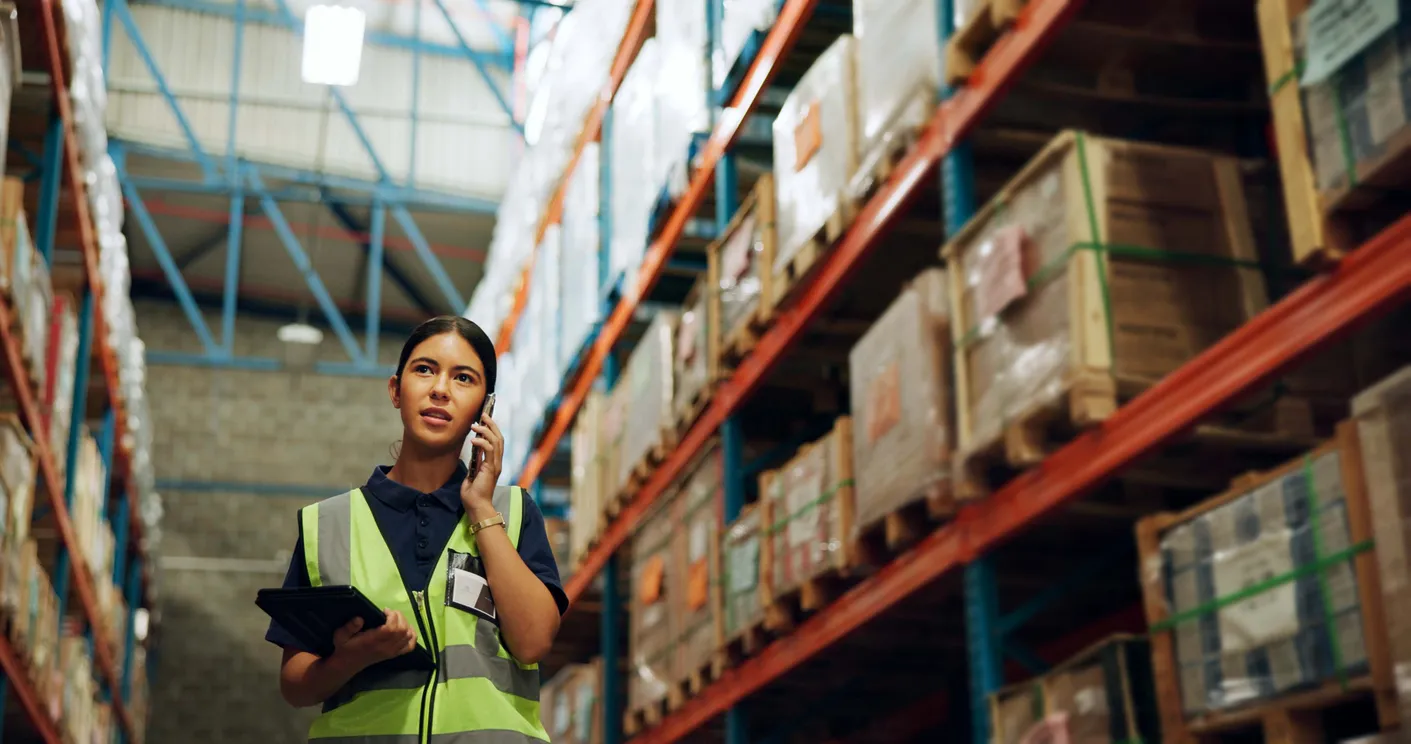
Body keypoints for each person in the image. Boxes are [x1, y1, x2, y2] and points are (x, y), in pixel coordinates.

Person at [264, 315, 565, 742]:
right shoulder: (328, 525)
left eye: (463, 378)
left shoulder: (513, 513)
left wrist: (480, 508)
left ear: (486, 409)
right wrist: (352, 658)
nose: (440, 389)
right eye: (425, 369)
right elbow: (295, 685)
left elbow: (533, 642)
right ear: (395, 390)